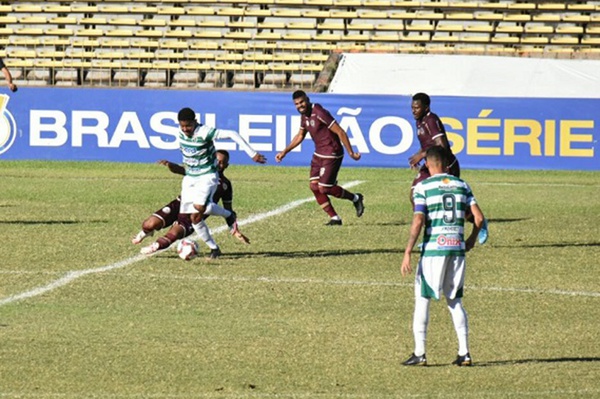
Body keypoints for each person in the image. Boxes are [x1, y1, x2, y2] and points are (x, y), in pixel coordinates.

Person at [400, 146, 485, 367]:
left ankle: (420, 353)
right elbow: (478, 218)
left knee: (423, 298)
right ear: (447, 164)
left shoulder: (423, 186)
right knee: (455, 301)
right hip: (457, 249)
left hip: (434, 251)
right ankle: (464, 353)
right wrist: (472, 240)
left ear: (427, 164)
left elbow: (418, 220)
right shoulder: (462, 185)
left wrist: (408, 251)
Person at [142, 107, 266, 259]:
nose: (186, 129)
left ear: (195, 122)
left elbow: (233, 134)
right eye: (182, 126)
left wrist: (252, 154)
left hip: (207, 176)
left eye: (188, 125)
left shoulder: (204, 132)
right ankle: (214, 248)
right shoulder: (180, 132)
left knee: (199, 207)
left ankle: (228, 214)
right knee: (195, 218)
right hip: (190, 178)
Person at [134, 150, 250, 258]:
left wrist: (234, 229)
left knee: (173, 234)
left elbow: (228, 210)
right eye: (216, 161)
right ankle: (147, 232)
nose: (218, 164)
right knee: (148, 225)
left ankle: (155, 246)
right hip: (179, 204)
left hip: (192, 216)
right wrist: (170, 165)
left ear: (226, 165)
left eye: (222, 163)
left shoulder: (225, 185)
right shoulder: (199, 171)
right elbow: (181, 170)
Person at [275, 90, 364, 226]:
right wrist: (285, 151)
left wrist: (351, 153)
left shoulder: (319, 112)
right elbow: (300, 135)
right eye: (297, 104)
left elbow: (340, 131)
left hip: (332, 153)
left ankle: (356, 198)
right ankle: (335, 218)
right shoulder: (304, 116)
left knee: (324, 188)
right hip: (319, 154)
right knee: (314, 186)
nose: (300, 106)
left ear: (308, 99)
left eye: (302, 102)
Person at [409, 92, 488, 244]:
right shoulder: (419, 120)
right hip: (430, 164)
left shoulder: (431, 120)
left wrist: (422, 155)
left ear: (426, 107)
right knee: (414, 195)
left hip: (446, 166)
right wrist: (418, 155)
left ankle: (479, 222)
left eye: (417, 108)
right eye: (412, 107)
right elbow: (427, 145)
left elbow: (442, 145)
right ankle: (429, 234)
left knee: (454, 203)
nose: (414, 111)